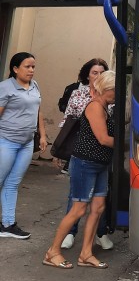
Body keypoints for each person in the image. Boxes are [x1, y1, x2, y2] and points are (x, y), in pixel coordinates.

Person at [43, 70, 116, 269]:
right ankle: (52, 252)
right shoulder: (94, 107)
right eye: (115, 90)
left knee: (98, 208)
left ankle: (85, 254)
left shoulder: (104, 107)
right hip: (85, 164)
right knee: (79, 209)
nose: (117, 94)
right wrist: (129, 143)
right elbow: (103, 139)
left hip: (99, 164)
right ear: (106, 89)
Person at [58, 59, 114, 250]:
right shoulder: (90, 102)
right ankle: (60, 243)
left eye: (101, 72)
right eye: (94, 72)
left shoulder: (108, 103)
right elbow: (102, 137)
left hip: (101, 159)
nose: (97, 76)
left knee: (98, 206)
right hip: (85, 157)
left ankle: (90, 247)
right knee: (78, 205)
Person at [0, 52, 47, 239]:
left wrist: (42, 136)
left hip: (26, 143)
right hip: (6, 142)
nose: (31, 70)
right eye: (27, 66)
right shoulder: (5, 88)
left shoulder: (34, 86)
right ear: (15, 68)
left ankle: (8, 224)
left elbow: (39, 112)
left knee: (13, 183)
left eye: (33, 66)